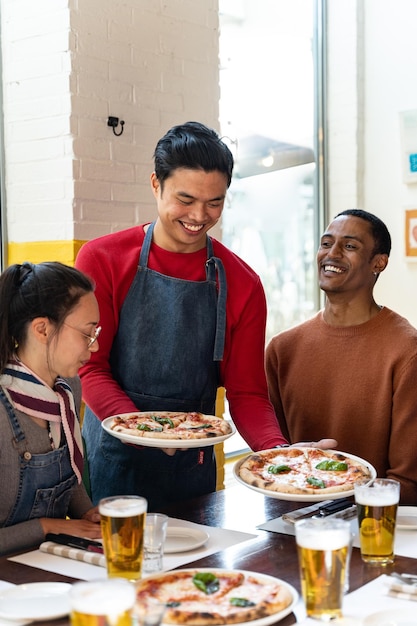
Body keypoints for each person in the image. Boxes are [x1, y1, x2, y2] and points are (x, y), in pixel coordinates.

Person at [75, 121, 335, 510]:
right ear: (155, 185)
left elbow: (246, 393)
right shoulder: (103, 259)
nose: (199, 215)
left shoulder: (243, 283)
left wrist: (280, 454)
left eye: (215, 202)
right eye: (185, 199)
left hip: (192, 468)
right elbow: (91, 368)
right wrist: (143, 430)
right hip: (114, 457)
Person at [265, 209, 417, 504]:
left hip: (373, 529)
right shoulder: (282, 349)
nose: (332, 254)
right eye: (326, 243)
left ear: (378, 263)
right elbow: (273, 458)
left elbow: (408, 482)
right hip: (287, 523)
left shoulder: (407, 352)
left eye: (349, 246)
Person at [0, 261, 102, 556]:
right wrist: (47, 526)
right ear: (42, 329)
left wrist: (86, 513)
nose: (94, 346)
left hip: (53, 563)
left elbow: (67, 473)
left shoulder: (68, 387)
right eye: (86, 333)